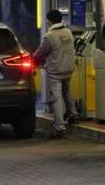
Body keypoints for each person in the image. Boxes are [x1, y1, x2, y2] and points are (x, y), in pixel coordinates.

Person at [34, 10, 79, 138]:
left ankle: (59, 127)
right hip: (69, 69)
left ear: (49, 21)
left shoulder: (50, 36)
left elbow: (41, 52)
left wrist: (34, 58)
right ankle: (74, 115)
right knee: (67, 91)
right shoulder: (68, 32)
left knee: (57, 98)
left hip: (56, 71)